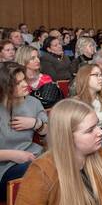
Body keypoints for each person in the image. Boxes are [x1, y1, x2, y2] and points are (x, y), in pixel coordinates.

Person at [15, 98, 102, 205]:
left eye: (97, 125)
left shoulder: (99, 152)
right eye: (90, 130)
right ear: (67, 137)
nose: (100, 132)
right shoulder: (42, 171)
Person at [0, 62, 48, 201]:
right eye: (17, 83)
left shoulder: (33, 102)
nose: (24, 84)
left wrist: (35, 123)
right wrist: (14, 155)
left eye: (23, 80)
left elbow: (49, 133)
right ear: (5, 87)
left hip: (35, 156)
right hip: (6, 167)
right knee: (39, 171)